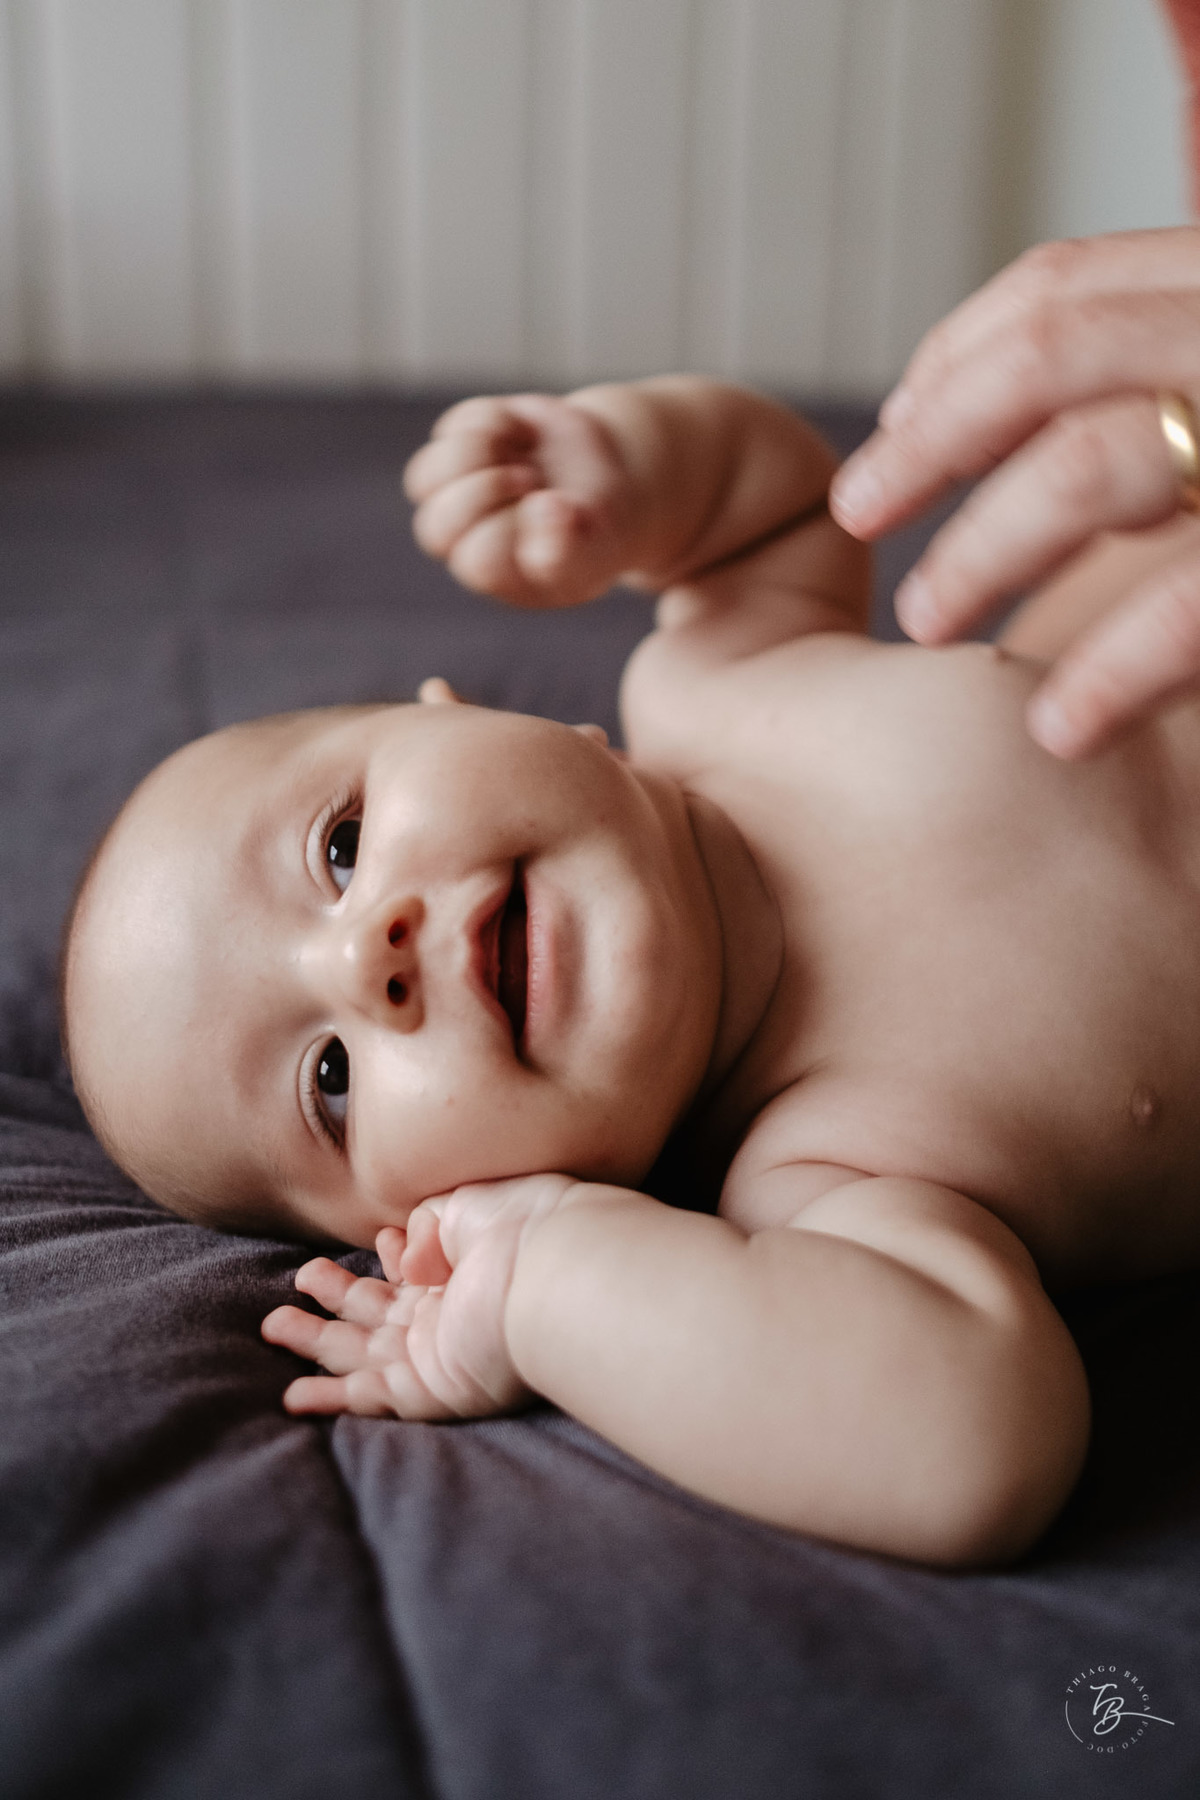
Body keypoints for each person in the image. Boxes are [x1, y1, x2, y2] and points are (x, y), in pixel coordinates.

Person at [80, 367, 1200, 1573]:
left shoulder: (717, 685)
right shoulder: (824, 1176)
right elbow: (976, 1448)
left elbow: (776, 502)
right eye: (333, 1082)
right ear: (430, 1217)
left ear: (452, 713)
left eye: (341, 845)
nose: (369, 961)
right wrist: (541, 1282)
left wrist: (618, 468)